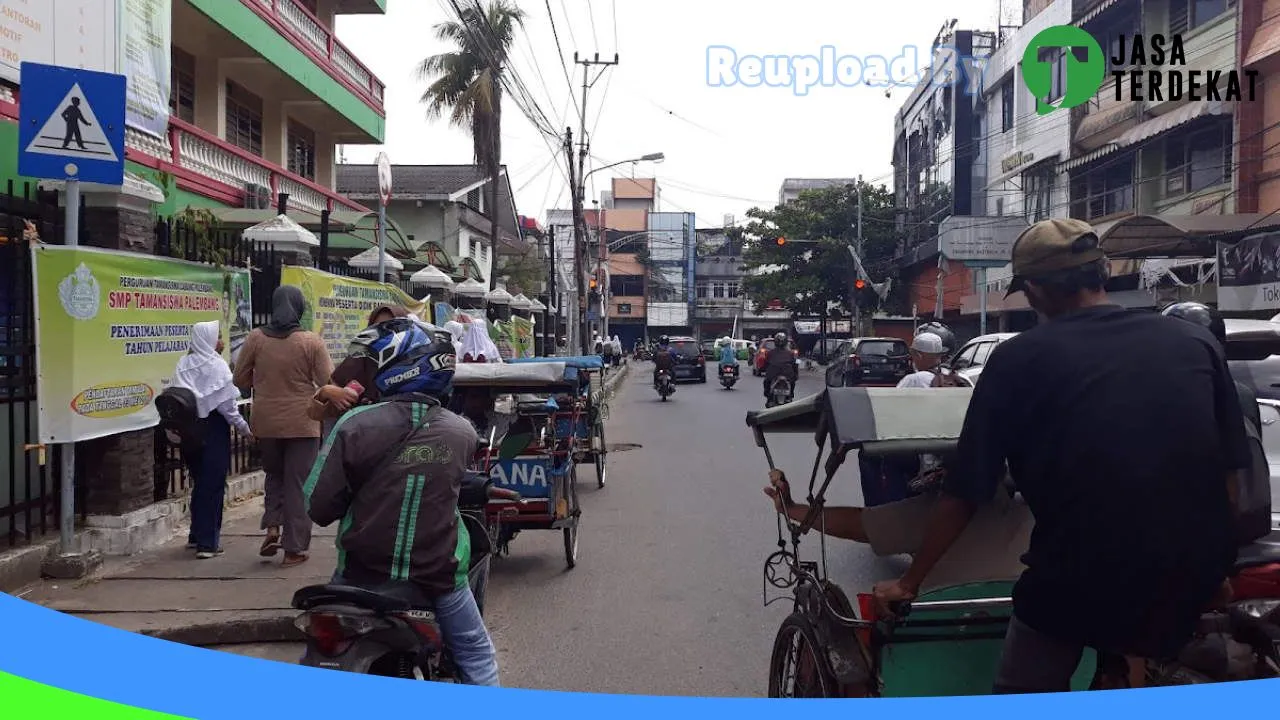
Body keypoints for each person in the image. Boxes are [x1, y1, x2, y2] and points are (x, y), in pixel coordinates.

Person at [870, 218, 1247, 693]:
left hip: (1076, 578)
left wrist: (911, 582)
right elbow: (1231, 475)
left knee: (1021, 688)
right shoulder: (1194, 342)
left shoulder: (1014, 360)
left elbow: (966, 490)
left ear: (1033, 291)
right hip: (1188, 573)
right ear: (1104, 272)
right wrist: (1217, 569)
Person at [303, 319, 499, 687]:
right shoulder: (462, 433)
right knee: (475, 650)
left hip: (358, 572)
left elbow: (318, 506)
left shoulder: (354, 424)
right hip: (437, 575)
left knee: (317, 653)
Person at [234, 286, 333, 568]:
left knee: (275, 476)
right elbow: (327, 381)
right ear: (299, 307)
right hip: (302, 422)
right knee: (299, 485)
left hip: (265, 421)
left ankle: (273, 527)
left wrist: (265, 382)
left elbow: (240, 379)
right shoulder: (311, 342)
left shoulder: (255, 338)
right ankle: (294, 549)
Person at [172, 321, 253, 559]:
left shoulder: (183, 364)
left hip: (189, 431)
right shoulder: (217, 367)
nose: (221, 341)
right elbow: (229, 408)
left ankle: (196, 534)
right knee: (213, 485)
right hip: (213, 430)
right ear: (207, 339)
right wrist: (245, 429)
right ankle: (208, 544)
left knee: (200, 483)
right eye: (217, 336)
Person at [307, 306, 410, 423]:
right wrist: (326, 393)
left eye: (391, 327)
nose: (385, 334)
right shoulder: (360, 361)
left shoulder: (418, 363)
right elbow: (315, 412)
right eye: (378, 328)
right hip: (365, 436)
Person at [762, 332, 798, 401]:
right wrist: (795, 375)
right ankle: (791, 395)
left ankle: (768, 396)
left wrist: (764, 369)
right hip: (787, 374)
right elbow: (794, 364)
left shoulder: (771, 352)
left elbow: (766, 363)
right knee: (792, 382)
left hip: (774, 374)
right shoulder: (790, 353)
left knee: (766, 381)